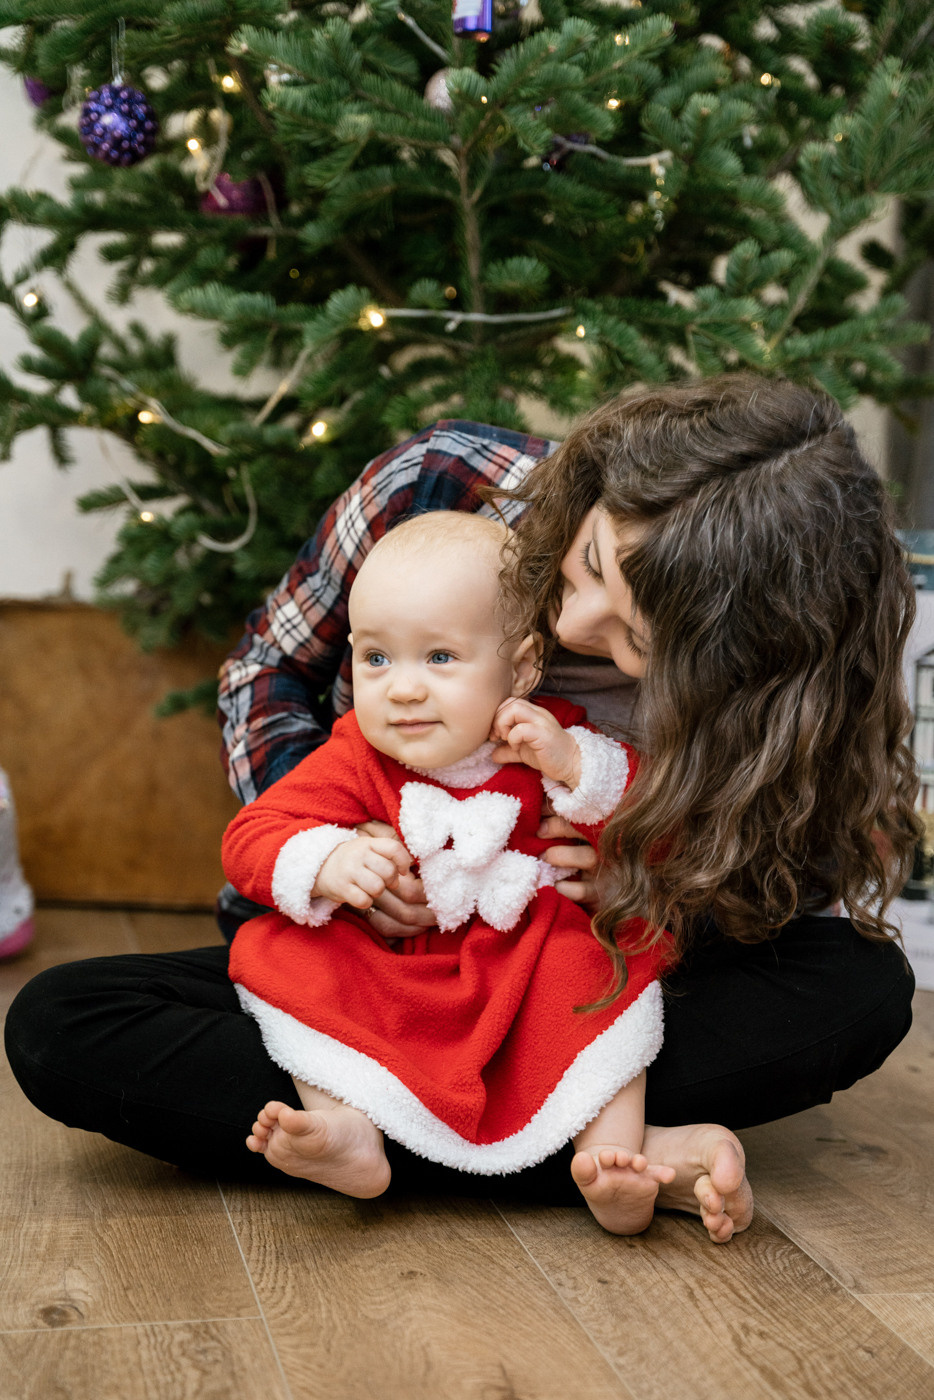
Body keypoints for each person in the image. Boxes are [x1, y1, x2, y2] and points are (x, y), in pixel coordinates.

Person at [4, 374, 918, 1248]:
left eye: (638, 639)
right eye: (591, 564)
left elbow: (777, 888)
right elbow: (267, 674)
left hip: (561, 971)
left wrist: (652, 881)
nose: (574, 625)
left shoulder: (777, 689)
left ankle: (397, 1135)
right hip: (370, 967)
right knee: (60, 1023)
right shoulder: (438, 484)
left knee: (863, 987)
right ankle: (596, 1149)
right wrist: (341, 847)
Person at [225, 511, 673, 1236]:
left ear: (521, 669)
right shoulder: (355, 755)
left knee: (604, 965)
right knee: (278, 949)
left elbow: (668, 830)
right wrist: (328, 859)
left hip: (524, 962)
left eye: (439, 657)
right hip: (396, 970)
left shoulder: (554, 741)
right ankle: (348, 1128)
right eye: (376, 658)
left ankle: (612, 1159)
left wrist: (576, 771)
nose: (402, 689)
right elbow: (251, 837)